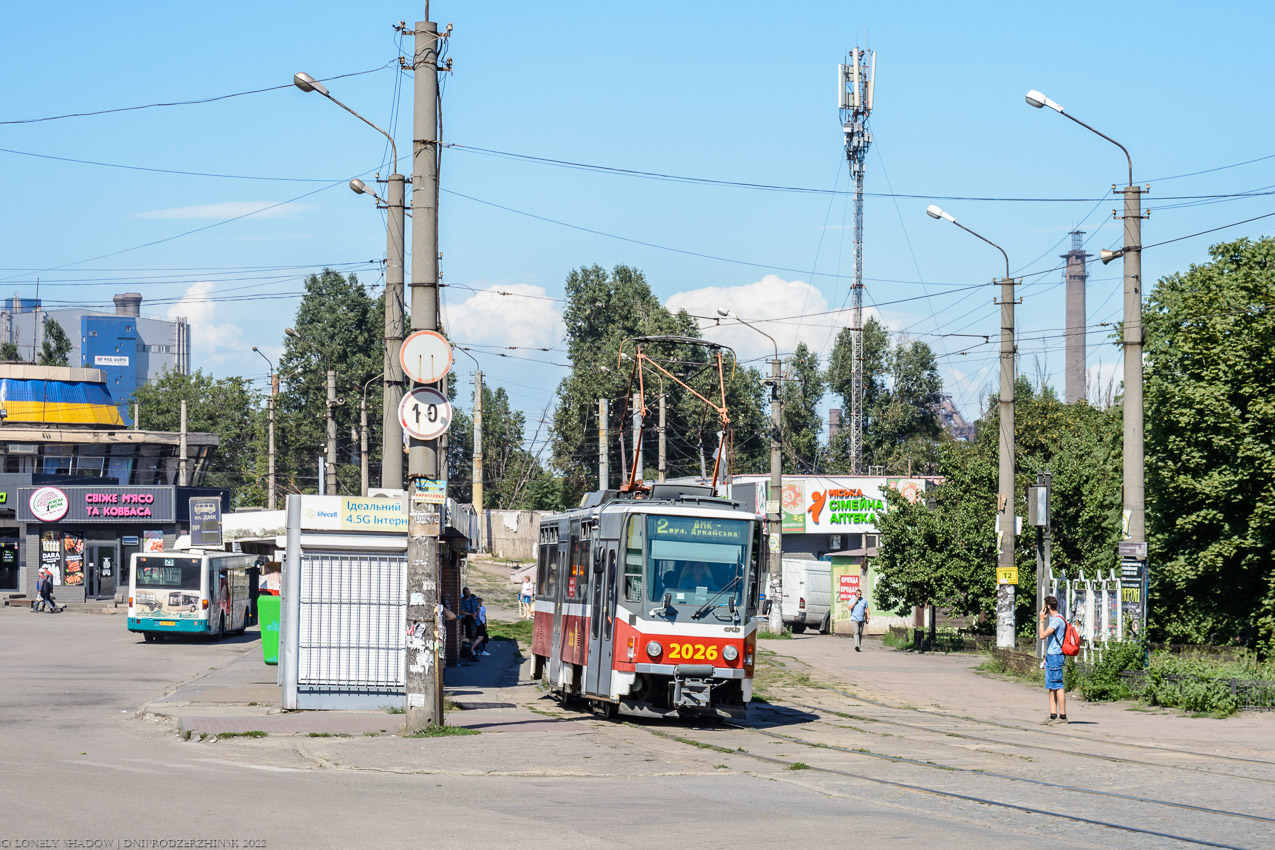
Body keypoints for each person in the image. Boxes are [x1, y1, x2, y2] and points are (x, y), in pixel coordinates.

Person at [1038, 595, 1068, 725]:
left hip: (1056, 656)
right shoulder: (1055, 620)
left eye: (1045, 606)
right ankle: (1052, 715)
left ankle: (1062, 716)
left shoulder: (1057, 620)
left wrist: (1041, 621)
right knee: (1051, 687)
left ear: (1048, 607)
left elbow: (1042, 636)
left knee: (1058, 685)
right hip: (1051, 656)